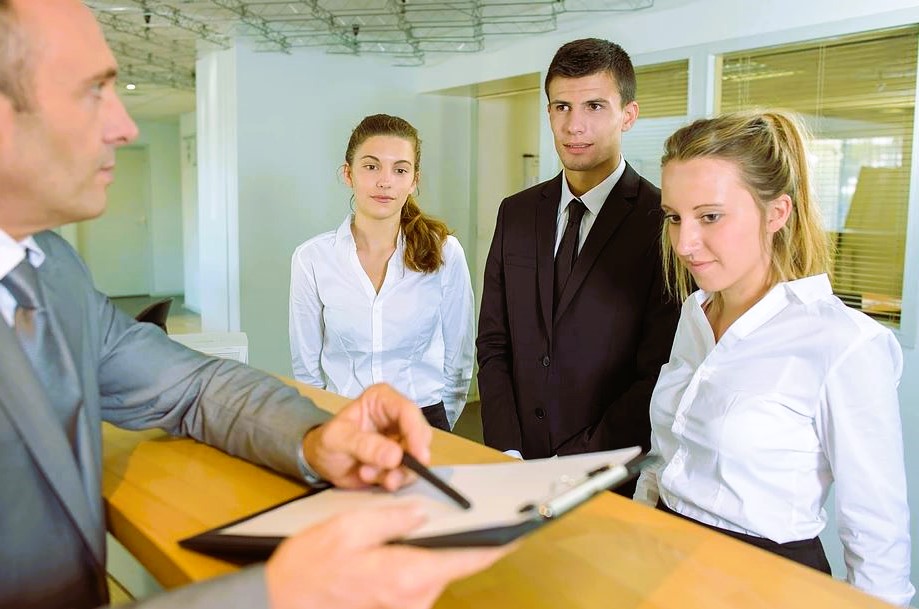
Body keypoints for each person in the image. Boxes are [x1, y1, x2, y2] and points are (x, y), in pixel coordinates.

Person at [0, 2, 506, 608]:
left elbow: (196, 387)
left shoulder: (51, 268)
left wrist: (319, 437)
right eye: (93, 92)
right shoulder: (314, 257)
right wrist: (280, 592)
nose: (125, 126)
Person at [633, 110, 913, 606]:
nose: (684, 243)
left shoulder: (844, 344)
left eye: (710, 216)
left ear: (776, 213)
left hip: (765, 583)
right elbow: (668, 458)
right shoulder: (695, 315)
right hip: (662, 560)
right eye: (674, 217)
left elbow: (876, 534)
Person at [476, 37, 680, 494]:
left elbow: (658, 369)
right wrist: (508, 449)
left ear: (628, 114)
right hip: (514, 465)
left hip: (605, 473)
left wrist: (569, 465)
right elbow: (494, 341)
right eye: (561, 107)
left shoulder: (662, 221)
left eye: (594, 106)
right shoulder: (516, 211)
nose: (574, 125)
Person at [290, 114, 475, 431]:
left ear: (414, 180)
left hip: (425, 421)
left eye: (400, 169)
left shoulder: (446, 252)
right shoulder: (312, 259)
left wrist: (441, 426)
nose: (385, 181)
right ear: (349, 174)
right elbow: (305, 366)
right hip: (344, 420)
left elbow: (459, 356)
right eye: (371, 166)